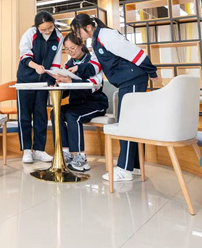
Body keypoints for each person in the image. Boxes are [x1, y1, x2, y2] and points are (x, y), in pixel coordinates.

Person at [71, 14, 160, 182]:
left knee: (127, 124)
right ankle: (135, 166)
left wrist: (152, 71)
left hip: (133, 79)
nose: (77, 35)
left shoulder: (107, 35)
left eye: (78, 31)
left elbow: (135, 53)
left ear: (88, 27)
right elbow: (95, 66)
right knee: (130, 124)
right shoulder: (96, 41)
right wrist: (78, 69)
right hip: (128, 81)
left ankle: (124, 169)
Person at [49, 32, 108, 173]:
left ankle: (81, 157)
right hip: (77, 104)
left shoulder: (93, 62)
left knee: (72, 115)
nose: (70, 52)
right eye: (67, 49)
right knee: (55, 113)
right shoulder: (68, 64)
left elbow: (93, 86)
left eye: (73, 48)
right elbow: (67, 91)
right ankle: (65, 153)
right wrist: (59, 83)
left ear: (81, 45)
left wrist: (70, 81)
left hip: (95, 103)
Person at [16, 11, 63, 164]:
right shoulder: (30, 34)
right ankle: (26, 150)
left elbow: (56, 62)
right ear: (37, 27)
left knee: (41, 114)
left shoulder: (58, 36)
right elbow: (24, 56)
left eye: (50, 27)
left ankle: (39, 150)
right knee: (25, 116)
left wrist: (53, 78)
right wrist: (36, 66)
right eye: (43, 29)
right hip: (26, 80)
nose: (47, 31)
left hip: (43, 81)